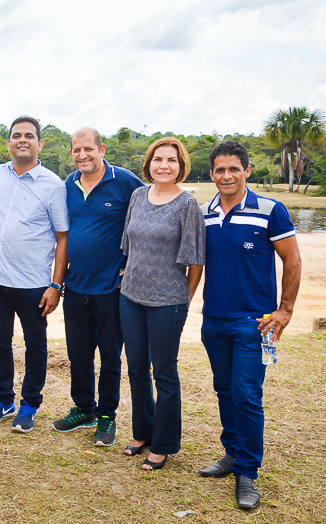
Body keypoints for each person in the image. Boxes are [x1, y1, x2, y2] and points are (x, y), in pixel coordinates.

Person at [198, 140, 301, 509]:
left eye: (233, 169)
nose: (227, 175)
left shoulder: (270, 209)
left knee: (247, 395)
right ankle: (231, 454)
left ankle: (248, 472)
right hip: (213, 321)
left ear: (246, 171)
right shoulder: (204, 212)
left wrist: (285, 310)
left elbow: (292, 258)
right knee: (224, 390)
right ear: (211, 174)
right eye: (220, 170)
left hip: (253, 324)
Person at [0, 116, 69, 434]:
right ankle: (4, 401)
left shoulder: (53, 186)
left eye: (29, 136)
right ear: (8, 144)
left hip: (33, 284)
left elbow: (62, 237)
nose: (22, 140)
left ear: (39, 144)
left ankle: (29, 404)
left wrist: (56, 284)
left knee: (35, 344)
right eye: (16, 135)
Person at [52, 127, 143, 446]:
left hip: (111, 290)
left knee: (109, 356)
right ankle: (83, 409)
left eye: (88, 149)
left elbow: (147, 217)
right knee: (78, 354)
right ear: (71, 153)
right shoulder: (68, 184)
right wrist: (57, 281)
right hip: (76, 288)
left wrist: (130, 267)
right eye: (77, 150)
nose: (83, 155)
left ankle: (107, 416)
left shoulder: (126, 181)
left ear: (102, 149)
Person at [119, 137, 205, 470]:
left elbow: (196, 261)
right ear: (149, 164)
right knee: (137, 369)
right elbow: (129, 245)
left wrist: (184, 298)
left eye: (171, 160)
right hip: (130, 297)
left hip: (168, 302)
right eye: (158, 159)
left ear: (181, 165)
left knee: (164, 373)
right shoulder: (138, 196)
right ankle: (142, 432)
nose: (164, 165)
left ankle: (165, 443)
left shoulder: (187, 204)